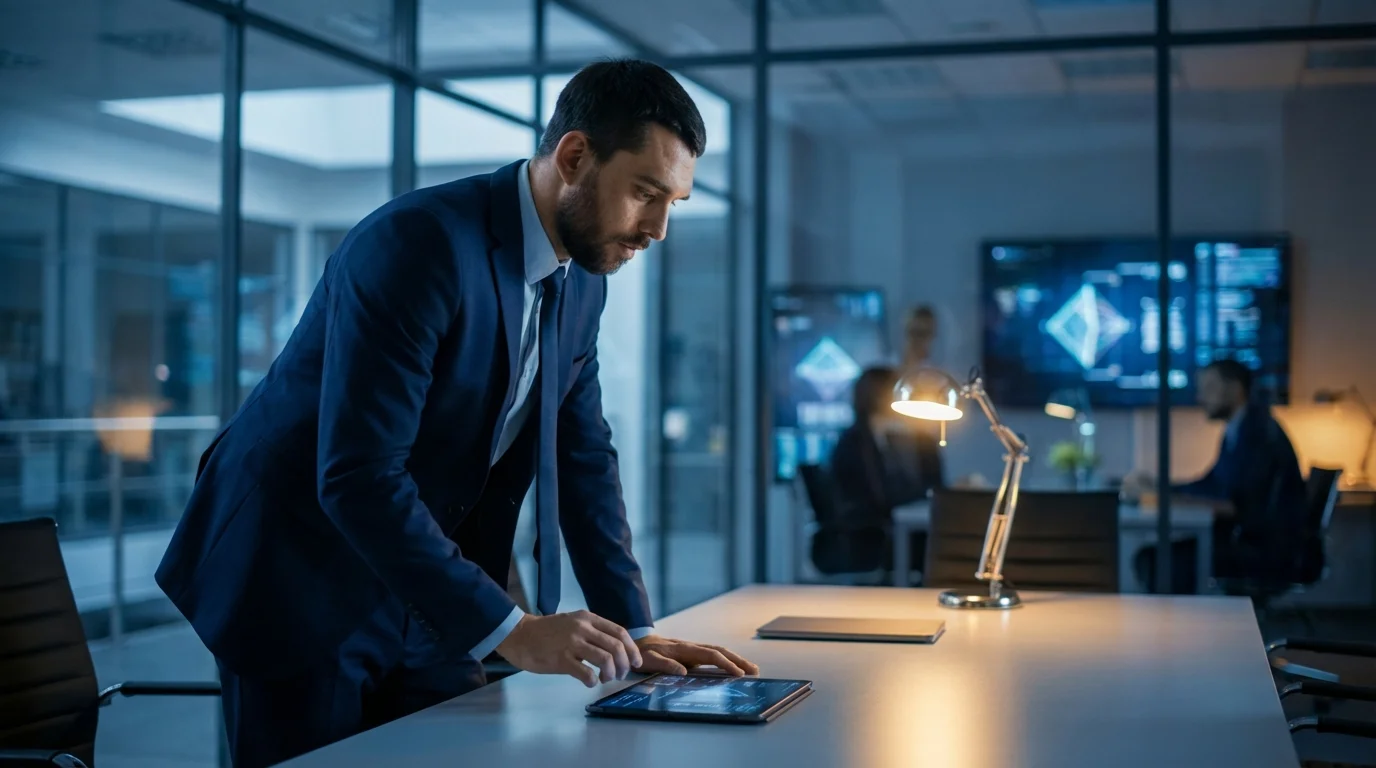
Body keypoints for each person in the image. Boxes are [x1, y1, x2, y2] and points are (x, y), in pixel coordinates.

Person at [155, 59, 758, 768]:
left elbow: (583, 457)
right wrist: (516, 628)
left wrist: (635, 629)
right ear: (574, 157)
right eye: (645, 194)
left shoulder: (583, 281)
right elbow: (358, 475)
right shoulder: (421, 244)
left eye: (672, 204)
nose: (657, 230)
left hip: (420, 571)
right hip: (299, 572)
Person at [1133, 358, 1305, 593]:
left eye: (1209, 389)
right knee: (1152, 556)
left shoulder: (1258, 434)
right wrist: (1165, 488)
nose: (1200, 398)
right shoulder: (1242, 427)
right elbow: (1212, 483)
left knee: (1156, 560)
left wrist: (1169, 497)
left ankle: (1178, 627)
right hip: (1248, 539)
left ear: (1235, 389)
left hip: (1259, 548)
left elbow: (1236, 505)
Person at [828, 366, 942, 576]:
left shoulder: (883, 438)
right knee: (945, 543)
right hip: (868, 536)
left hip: (886, 530)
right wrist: (926, 493)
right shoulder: (856, 443)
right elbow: (879, 498)